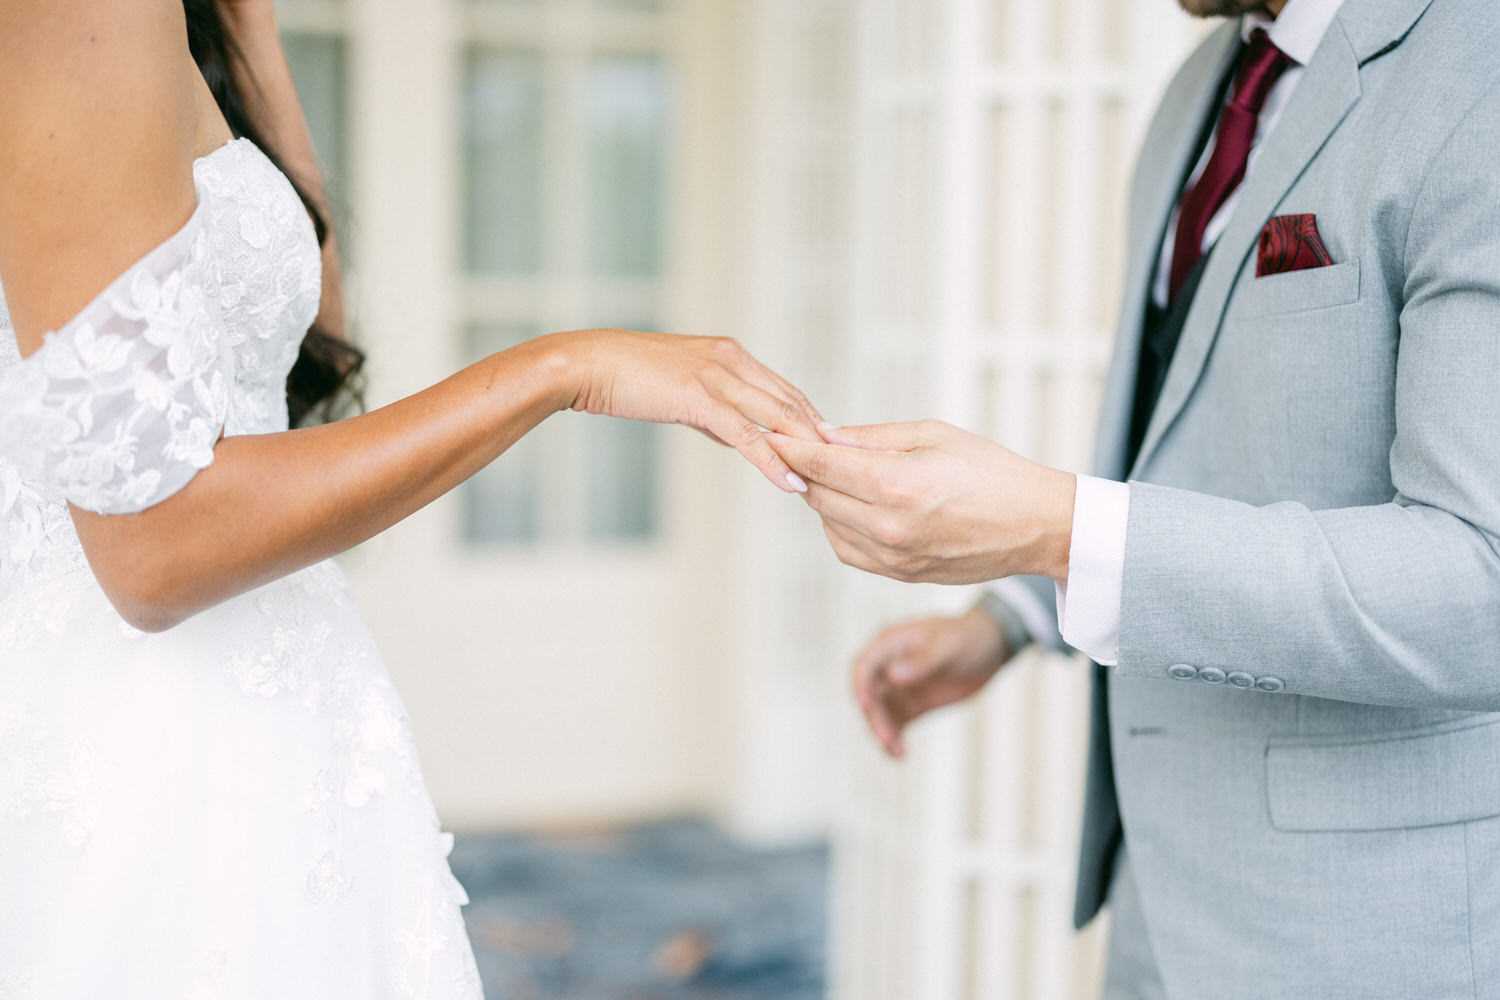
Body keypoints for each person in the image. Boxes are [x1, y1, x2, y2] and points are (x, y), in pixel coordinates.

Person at [0, 1, 822, 995]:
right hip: (151, 745)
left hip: (284, 708)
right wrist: (563, 368)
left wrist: (247, 28)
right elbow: (153, 545)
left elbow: (309, 351)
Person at [772, 0, 1500, 995]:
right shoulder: (1200, 89)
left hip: (1359, 930)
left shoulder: (1480, 75)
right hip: (1156, 897)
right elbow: (1189, 436)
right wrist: (1014, 612)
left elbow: (1479, 586)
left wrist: (1054, 527)